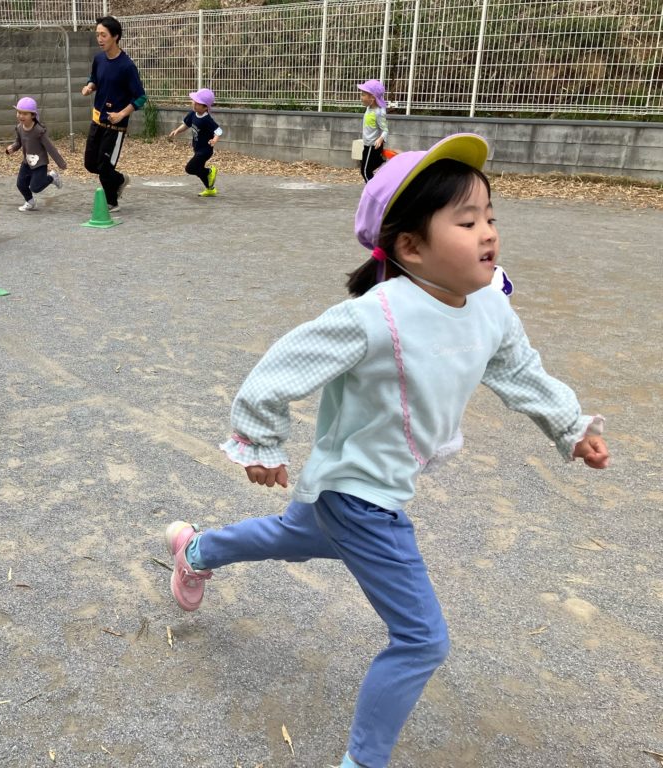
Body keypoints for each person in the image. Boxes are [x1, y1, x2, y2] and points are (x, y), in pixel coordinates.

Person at [164, 133, 609, 768]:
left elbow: (520, 372)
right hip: (362, 495)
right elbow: (282, 366)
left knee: (293, 536)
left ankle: (196, 550)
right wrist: (259, 441)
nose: (487, 233)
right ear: (410, 248)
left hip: (351, 487)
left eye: (490, 217)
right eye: (466, 222)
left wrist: (571, 425)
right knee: (422, 640)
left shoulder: (489, 309)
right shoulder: (378, 316)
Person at [81, 15, 147, 212]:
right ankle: (120, 180)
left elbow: (141, 97)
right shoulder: (99, 59)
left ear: (115, 36)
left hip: (115, 126)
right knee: (90, 164)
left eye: (104, 35)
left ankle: (112, 202)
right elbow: (94, 78)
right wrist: (90, 86)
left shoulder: (127, 66)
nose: (100, 39)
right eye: (97, 35)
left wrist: (121, 114)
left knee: (105, 167)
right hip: (97, 121)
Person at [5, 97, 68, 212]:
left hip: (40, 164)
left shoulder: (39, 131)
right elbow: (19, 142)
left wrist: (61, 163)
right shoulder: (19, 128)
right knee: (21, 184)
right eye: (19, 112)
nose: (21, 116)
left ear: (33, 115)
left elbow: (50, 148)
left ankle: (52, 177)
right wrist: (13, 148)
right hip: (27, 162)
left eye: (25, 114)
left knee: (35, 187)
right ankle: (30, 202)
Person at [168, 88, 223, 197]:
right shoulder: (193, 114)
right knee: (199, 169)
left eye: (198, 103)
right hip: (197, 148)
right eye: (194, 101)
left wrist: (215, 139)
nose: (194, 104)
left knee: (190, 168)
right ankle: (210, 189)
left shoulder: (207, 119)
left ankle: (209, 172)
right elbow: (186, 124)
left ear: (205, 107)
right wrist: (177, 130)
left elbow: (218, 131)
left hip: (205, 150)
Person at [357, 79, 389, 182]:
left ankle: (372, 190)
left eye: (363, 95)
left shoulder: (379, 113)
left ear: (372, 98)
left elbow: (385, 130)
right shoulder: (369, 108)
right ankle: (381, 161)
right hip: (367, 144)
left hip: (373, 146)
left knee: (365, 171)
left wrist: (380, 139)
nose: (361, 97)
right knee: (367, 168)